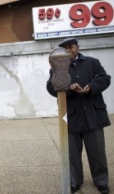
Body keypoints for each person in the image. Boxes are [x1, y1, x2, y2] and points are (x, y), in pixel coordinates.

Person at [46, 37, 111, 194]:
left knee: (97, 153)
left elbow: (105, 79)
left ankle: (101, 181)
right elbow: (50, 87)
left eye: (71, 47)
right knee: (72, 155)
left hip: (93, 115)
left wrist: (90, 88)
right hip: (71, 118)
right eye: (65, 48)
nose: (69, 50)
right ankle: (75, 181)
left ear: (77, 47)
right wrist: (68, 87)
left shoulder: (92, 62)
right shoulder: (57, 66)